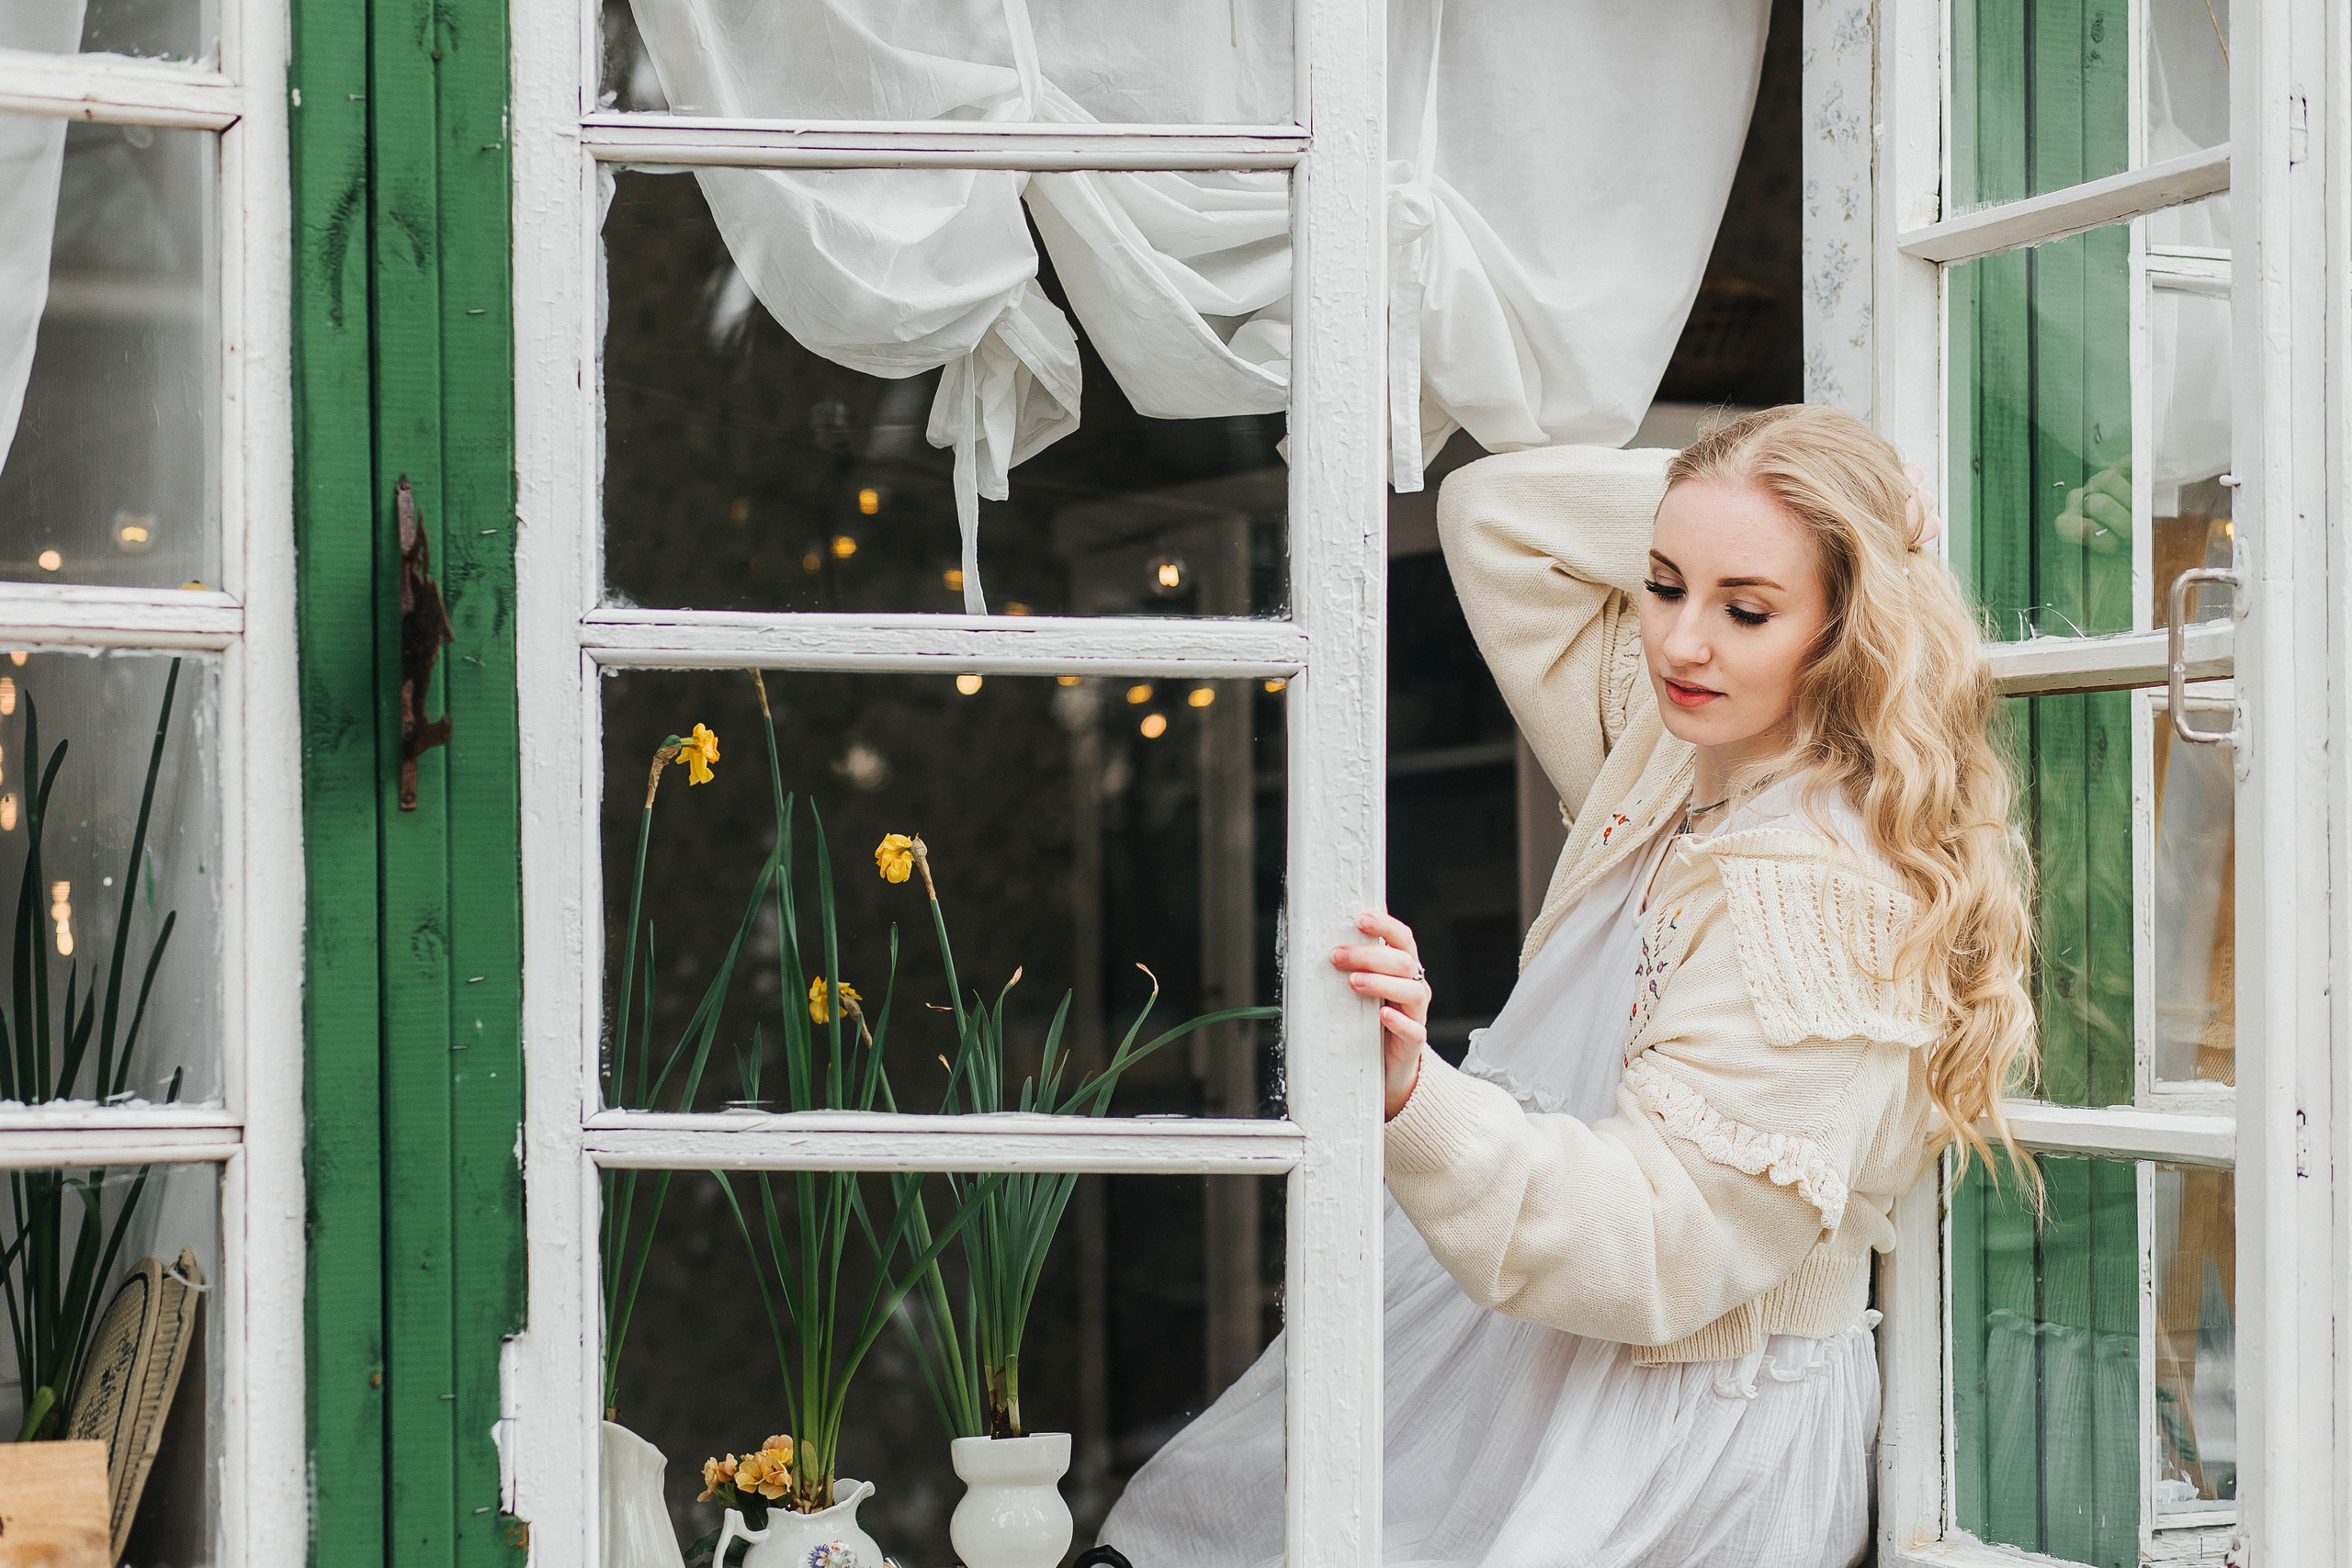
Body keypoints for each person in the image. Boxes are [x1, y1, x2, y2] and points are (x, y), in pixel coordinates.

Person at [1098, 405, 2036, 1568]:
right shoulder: (1671, 747)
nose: (1680, 642)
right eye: (1662, 584)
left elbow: (1662, 1244)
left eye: (1745, 609)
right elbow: (1492, 517)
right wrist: (1759, 494)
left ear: (1853, 628)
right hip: (1525, 1367)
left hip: (1670, 1437)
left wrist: (1415, 1098)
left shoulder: (1818, 895)